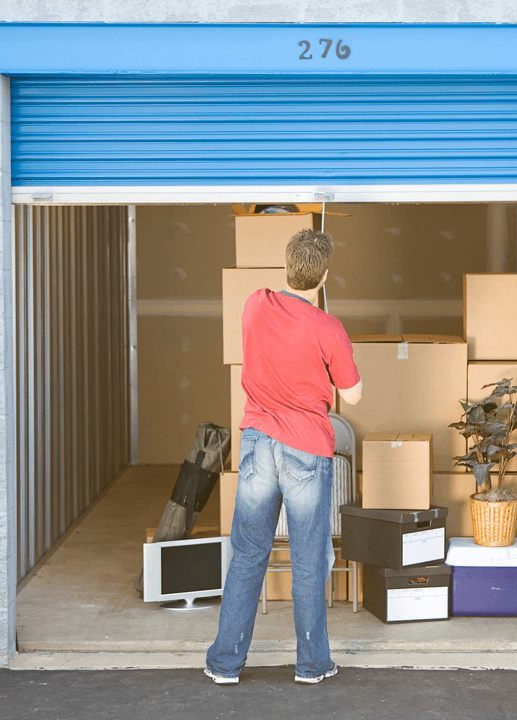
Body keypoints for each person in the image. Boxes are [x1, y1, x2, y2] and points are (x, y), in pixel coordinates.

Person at [205, 228, 362, 685]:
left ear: (287, 267)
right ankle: (312, 665)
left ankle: (225, 664)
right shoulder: (329, 328)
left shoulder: (256, 304)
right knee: (308, 561)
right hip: (306, 450)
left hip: (258, 443)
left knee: (248, 554)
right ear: (325, 276)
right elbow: (352, 395)